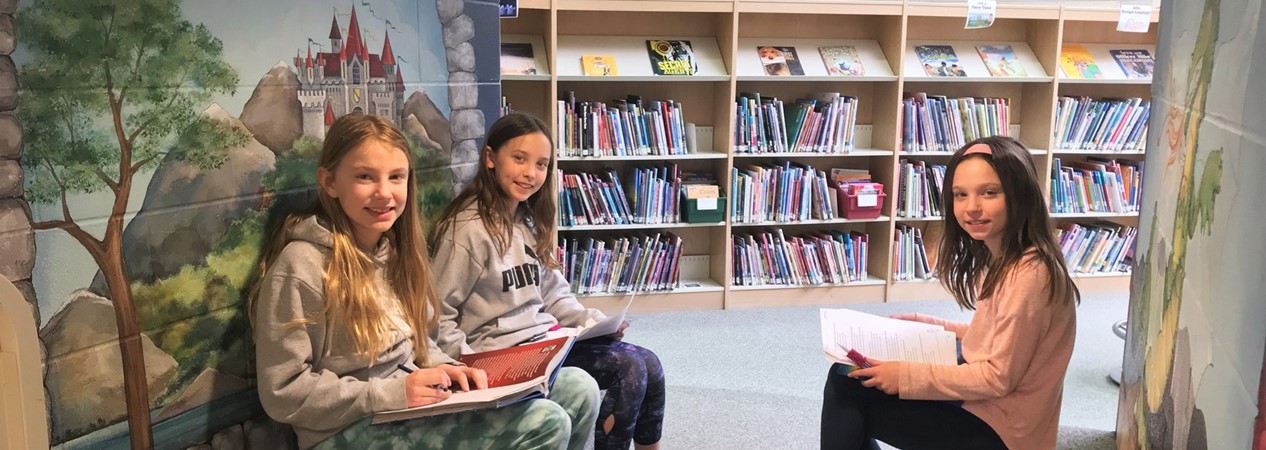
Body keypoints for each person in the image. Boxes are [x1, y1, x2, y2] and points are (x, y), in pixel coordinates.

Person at [250, 113, 600, 450]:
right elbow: (283, 391)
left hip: (410, 401)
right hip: (346, 428)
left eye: (396, 177)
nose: (384, 193)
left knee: (577, 388)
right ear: (330, 182)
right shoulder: (301, 265)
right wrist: (393, 393)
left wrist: (446, 367)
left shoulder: (397, 252)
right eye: (365, 177)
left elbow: (420, 342)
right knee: (544, 423)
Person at [820, 136, 1080, 450]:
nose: (972, 207)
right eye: (960, 195)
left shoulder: (1029, 275)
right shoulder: (1011, 256)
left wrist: (905, 376)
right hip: (990, 408)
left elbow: (997, 377)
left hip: (1003, 430)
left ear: (1019, 195)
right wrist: (933, 327)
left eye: (989, 192)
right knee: (847, 375)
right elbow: (1003, 338)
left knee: (853, 397)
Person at [430, 112, 666, 450]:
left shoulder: (527, 219)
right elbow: (439, 314)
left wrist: (593, 323)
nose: (530, 173)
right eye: (520, 159)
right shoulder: (467, 230)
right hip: (498, 356)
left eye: (541, 164)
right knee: (628, 369)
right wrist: (468, 367)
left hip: (542, 344)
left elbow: (554, 294)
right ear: (491, 158)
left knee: (650, 364)